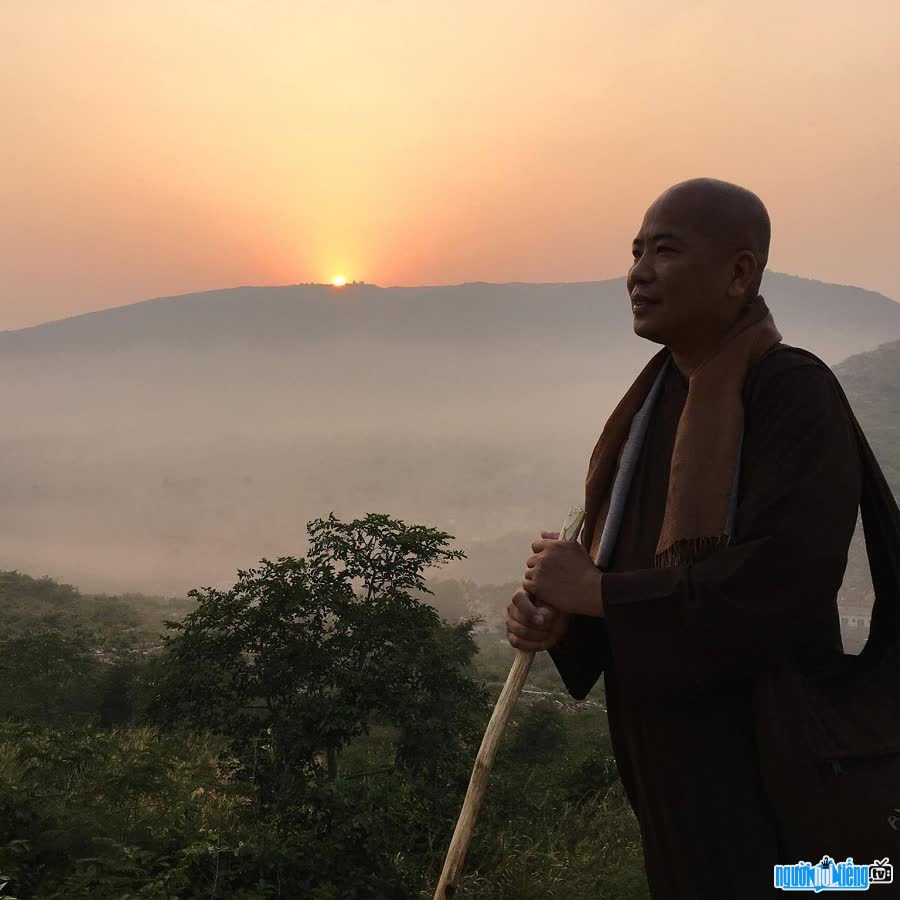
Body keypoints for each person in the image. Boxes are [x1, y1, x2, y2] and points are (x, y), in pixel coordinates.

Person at [504, 177, 862, 898]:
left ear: (739, 272)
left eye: (664, 251)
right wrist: (562, 618)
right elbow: (628, 585)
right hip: (670, 776)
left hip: (772, 767)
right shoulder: (646, 411)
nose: (637, 273)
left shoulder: (790, 392)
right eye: (635, 252)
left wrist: (599, 591)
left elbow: (785, 585)